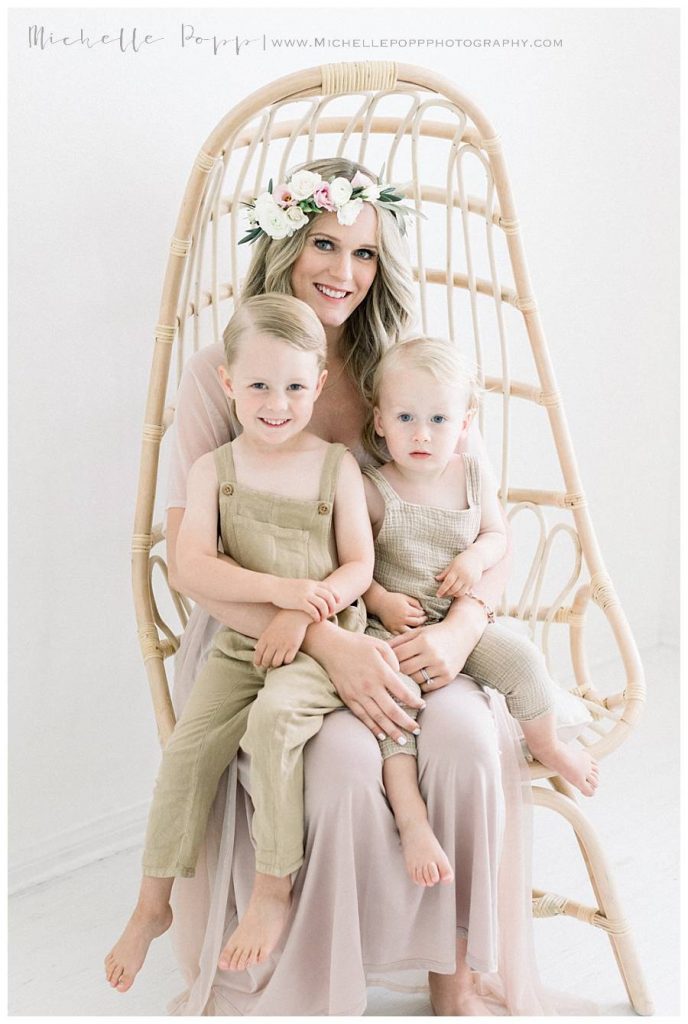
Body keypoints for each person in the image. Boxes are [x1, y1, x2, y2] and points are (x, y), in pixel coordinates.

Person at [116, 157, 559, 1015]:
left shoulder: (403, 373)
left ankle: (454, 972)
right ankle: (328, 973)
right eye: (325, 243)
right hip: (266, 630)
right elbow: (192, 560)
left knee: (468, 743)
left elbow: (484, 518)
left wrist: (464, 628)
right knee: (349, 766)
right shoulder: (229, 367)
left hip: (406, 616)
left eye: (365, 253)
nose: (344, 272)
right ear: (284, 241)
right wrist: (327, 640)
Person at [106, 292, 381, 986]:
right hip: (241, 639)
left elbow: (358, 565)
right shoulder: (214, 471)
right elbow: (192, 564)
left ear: (318, 386)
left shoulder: (334, 467)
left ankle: (273, 885)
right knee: (189, 748)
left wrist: (309, 615)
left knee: (273, 722)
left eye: (294, 386)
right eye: (257, 384)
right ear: (227, 383)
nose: (276, 402)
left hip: (320, 646)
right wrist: (283, 595)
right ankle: (151, 903)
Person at [359, 337, 599, 887]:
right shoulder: (373, 489)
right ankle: (413, 819)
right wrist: (378, 599)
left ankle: (546, 743)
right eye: (406, 417)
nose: (422, 433)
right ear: (379, 422)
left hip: (463, 618)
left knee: (521, 657)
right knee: (392, 721)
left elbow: (496, 534)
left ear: (464, 423)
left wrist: (474, 557)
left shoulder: (469, 475)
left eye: (439, 419)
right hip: (398, 627)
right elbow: (353, 565)